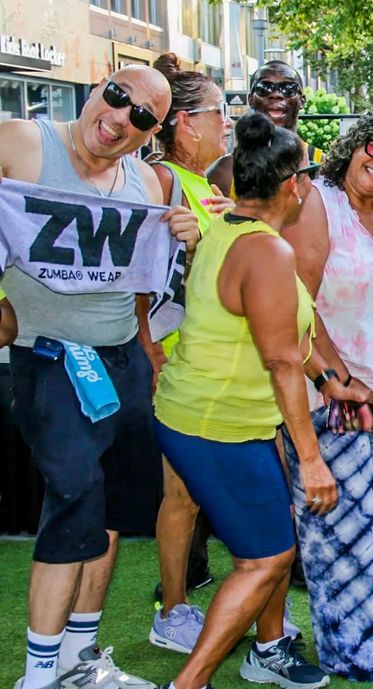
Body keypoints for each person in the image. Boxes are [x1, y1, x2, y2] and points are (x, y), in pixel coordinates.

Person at [0, 66, 200, 689]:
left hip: (121, 361)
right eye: (117, 97)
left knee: (109, 510)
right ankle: (39, 676)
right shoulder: (22, 143)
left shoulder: (151, 181)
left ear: (153, 132)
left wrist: (189, 235)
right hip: (49, 356)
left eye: (141, 116)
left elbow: (146, 280)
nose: (120, 119)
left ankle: (78, 662)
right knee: (75, 503)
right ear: (95, 89)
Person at [154, 112, 367, 689]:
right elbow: (280, 362)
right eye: (308, 177)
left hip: (217, 417)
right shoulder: (266, 252)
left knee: (274, 537)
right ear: (292, 186)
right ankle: (189, 681)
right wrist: (312, 459)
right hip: (216, 424)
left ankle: (269, 648)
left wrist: (331, 380)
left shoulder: (229, 228)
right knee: (267, 558)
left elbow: (289, 342)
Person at [278, 108, 373, 681]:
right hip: (335, 396)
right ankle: (353, 652)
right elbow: (293, 307)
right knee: (340, 530)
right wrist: (338, 379)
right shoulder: (318, 203)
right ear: (358, 142)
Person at [147, 52, 236, 655]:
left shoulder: (208, 185)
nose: (227, 122)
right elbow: (137, 280)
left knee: (202, 492)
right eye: (218, 112)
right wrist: (152, 356)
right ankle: (172, 609)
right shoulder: (160, 180)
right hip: (179, 363)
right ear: (185, 122)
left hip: (217, 362)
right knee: (180, 493)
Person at [207, 61, 322, 196]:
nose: (276, 95)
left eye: (288, 88)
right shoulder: (224, 171)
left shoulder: (322, 165)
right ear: (250, 99)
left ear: (302, 100)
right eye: (264, 88)